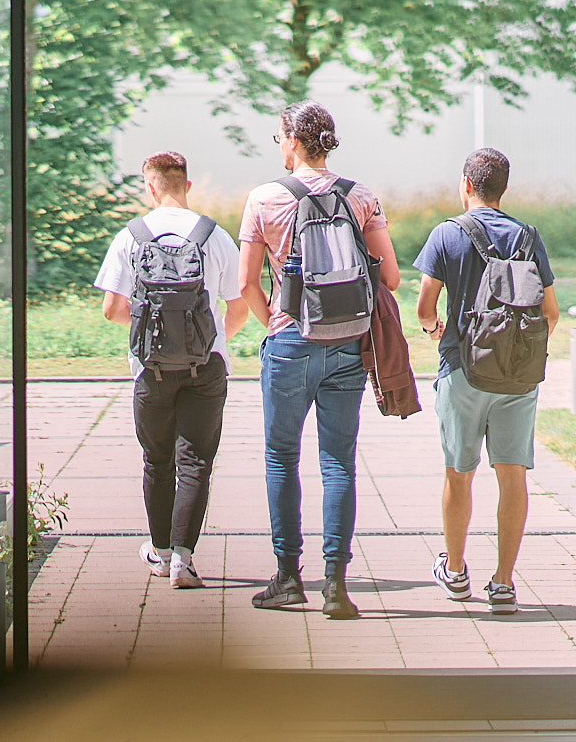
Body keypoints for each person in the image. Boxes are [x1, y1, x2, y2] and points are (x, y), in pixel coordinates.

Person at [237, 101, 400, 620]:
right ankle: (336, 585)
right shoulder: (362, 197)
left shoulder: (264, 199)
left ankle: (288, 577)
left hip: (290, 343)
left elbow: (244, 285)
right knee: (338, 461)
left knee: (282, 456)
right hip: (349, 344)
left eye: (278, 137)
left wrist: (277, 326)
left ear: (291, 140)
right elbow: (390, 278)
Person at [94, 151, 247, 590]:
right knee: (196, 461)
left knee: (157, 461)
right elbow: (237, 308)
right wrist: (208, 338)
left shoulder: (131, 236)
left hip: (150, 370)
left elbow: (112, 310)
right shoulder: (212, 234)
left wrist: (151, 330)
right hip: (206, 367)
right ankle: (183, 559)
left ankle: (159, 553)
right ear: (188, 186)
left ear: (151, 187)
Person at [413, 148, 557, 614]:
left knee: (460, 473)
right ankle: (503, 584)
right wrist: (517, 352)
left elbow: (424, 308)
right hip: (518, 379)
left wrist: (439, 333)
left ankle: (455, 572)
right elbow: (550, 314)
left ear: (466, 184)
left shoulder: (446, 234)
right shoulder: (528, 238)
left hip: (463, 371)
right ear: (504, 189)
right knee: (512, 475)